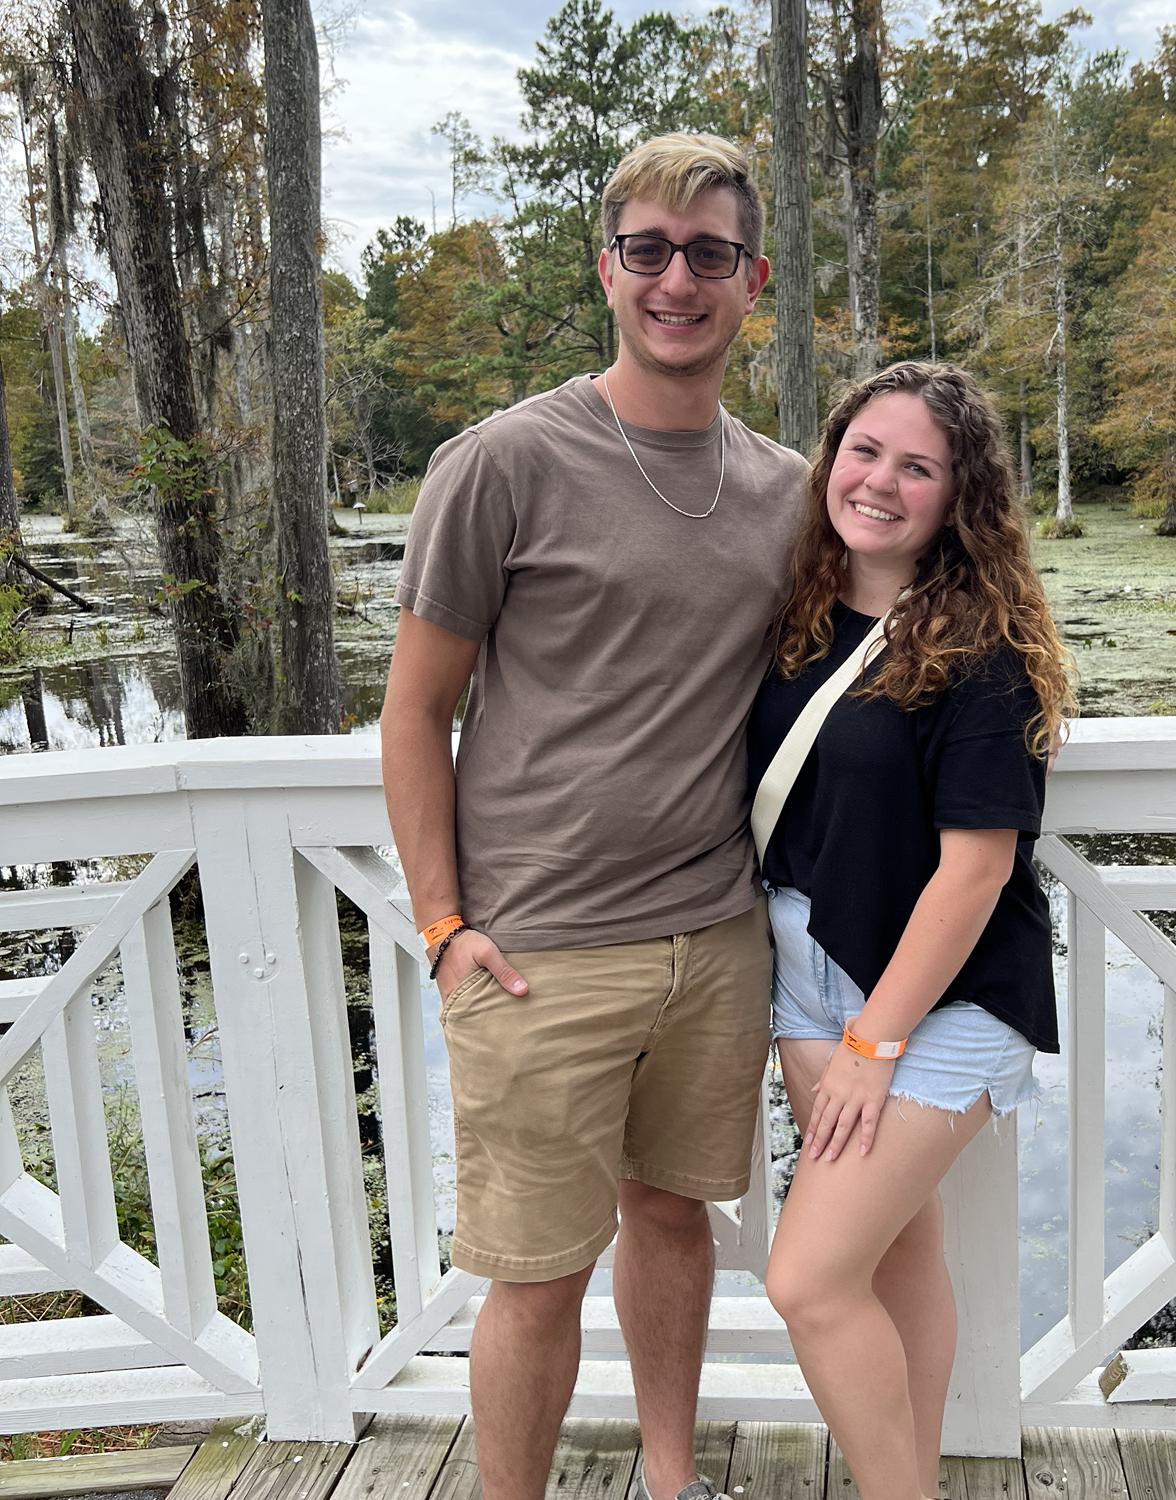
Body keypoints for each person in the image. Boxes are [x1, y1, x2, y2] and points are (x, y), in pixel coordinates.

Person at [379, 133, 808, 1500]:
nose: (677, 279)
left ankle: (670, 1480)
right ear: (608, 267)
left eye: (709, 255)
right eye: (648, 250)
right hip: (537, 946)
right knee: (533, 1275)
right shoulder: (503, 463)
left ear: (754, 281)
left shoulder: (793, 492)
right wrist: (443, 922)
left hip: (715, 938)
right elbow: (414, 713)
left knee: (674, 1220)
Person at [747, 362, 1075, 1500]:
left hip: (944, 1001)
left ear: (956, 497)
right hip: (805, 979)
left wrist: (877, 1045)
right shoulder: (795, 611)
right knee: (893, 1254)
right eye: (864, 451)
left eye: (917, 467)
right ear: (830, 456)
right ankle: (914, 1472)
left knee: (807, 1280)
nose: (880, 481)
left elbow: (978, 870)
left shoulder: (985, 647)